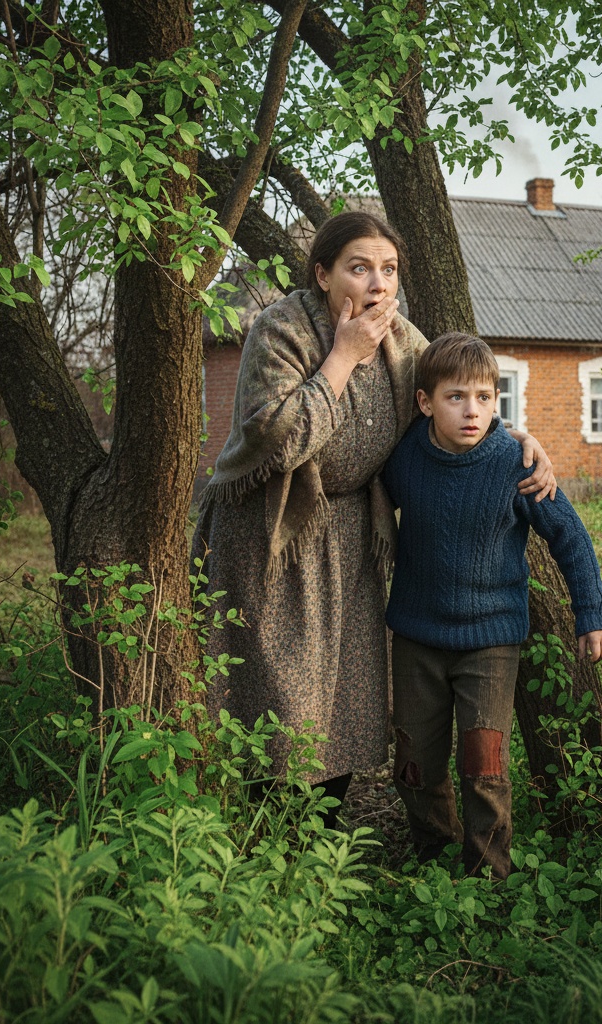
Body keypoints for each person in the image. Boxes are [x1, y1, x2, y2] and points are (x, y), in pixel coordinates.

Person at [191, 212, 556, 825]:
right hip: (271, 535)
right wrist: (342, 357)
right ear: (323, 275)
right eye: (360, 268)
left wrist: (517, 440)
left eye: (388, 270)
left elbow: (455, 401)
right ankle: (269, 836)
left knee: (343, 696)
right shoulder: (280, 331)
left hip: (355, 534)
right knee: (278, 692)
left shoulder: (405, 343)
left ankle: (326, 828)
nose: (378, 285)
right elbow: (278, 444)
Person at [382, 332, 602, 878]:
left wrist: (595, 615)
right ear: (425, 402)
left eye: (486, 398)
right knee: (415, 762)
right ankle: (434, 860)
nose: (472, 411)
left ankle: (489, 877)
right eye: (456, 397)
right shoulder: (403, 460)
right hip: (416, 637)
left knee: (484, 762)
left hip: (490, 642)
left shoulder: (517, 463)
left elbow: (571, 539)